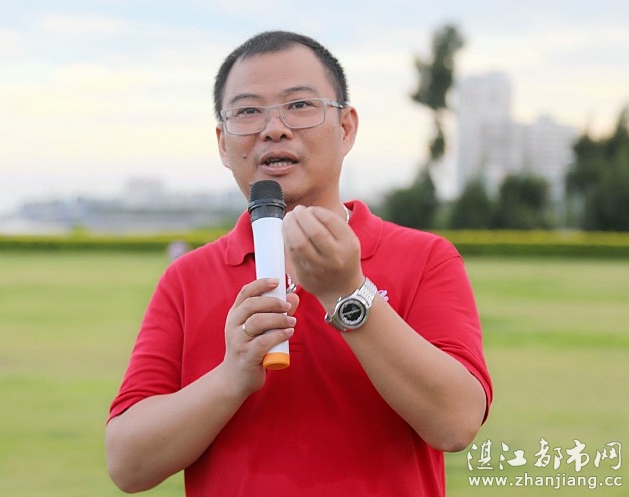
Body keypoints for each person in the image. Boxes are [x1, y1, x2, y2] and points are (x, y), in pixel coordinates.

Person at [105, 31, 492, 496]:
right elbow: (127, 464)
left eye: (300, 105)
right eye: (247, 111)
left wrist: (347, 293)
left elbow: (456, 422)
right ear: (223, 143)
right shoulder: (187, 278)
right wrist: (231, 377)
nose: (274, 128)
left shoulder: (425, 258)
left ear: (345, 127)